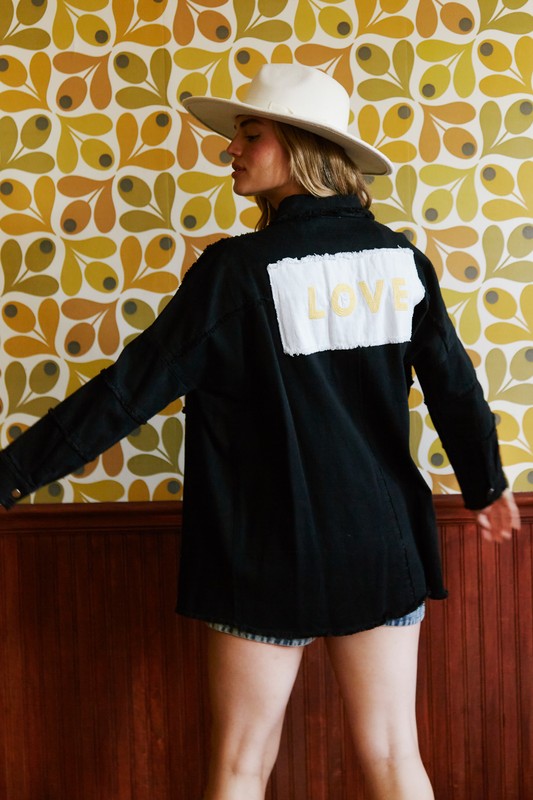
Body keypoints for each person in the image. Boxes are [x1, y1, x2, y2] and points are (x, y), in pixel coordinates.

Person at [0, 63, 521, 800]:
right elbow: (456, 389)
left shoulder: (237, 272)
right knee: (393, 756)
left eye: (250, 134)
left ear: (302, 147)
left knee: (242, 766)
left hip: (266, 545)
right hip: (380, 543)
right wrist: (485, 484)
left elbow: (127, 392)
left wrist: (12, 474)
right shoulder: (401, 261)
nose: (230, 150)